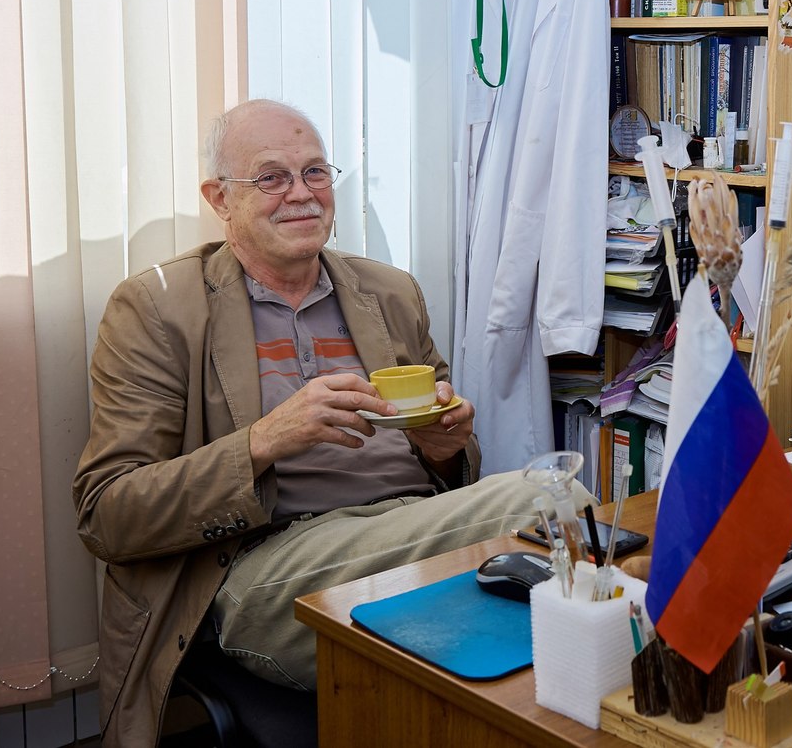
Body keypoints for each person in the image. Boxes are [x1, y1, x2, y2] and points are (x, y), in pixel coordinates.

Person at [73, 99, 575, 747]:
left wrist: (445, 449)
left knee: (558, 596)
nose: (302, 194)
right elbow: (106, 513)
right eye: (272, 177)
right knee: (548, 496)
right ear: (219, 199)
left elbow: (450, 477)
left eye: (315, 172)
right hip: (265, 567)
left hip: (407, 534)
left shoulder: (391, 292)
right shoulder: (157, 309)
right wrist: (263, 441)